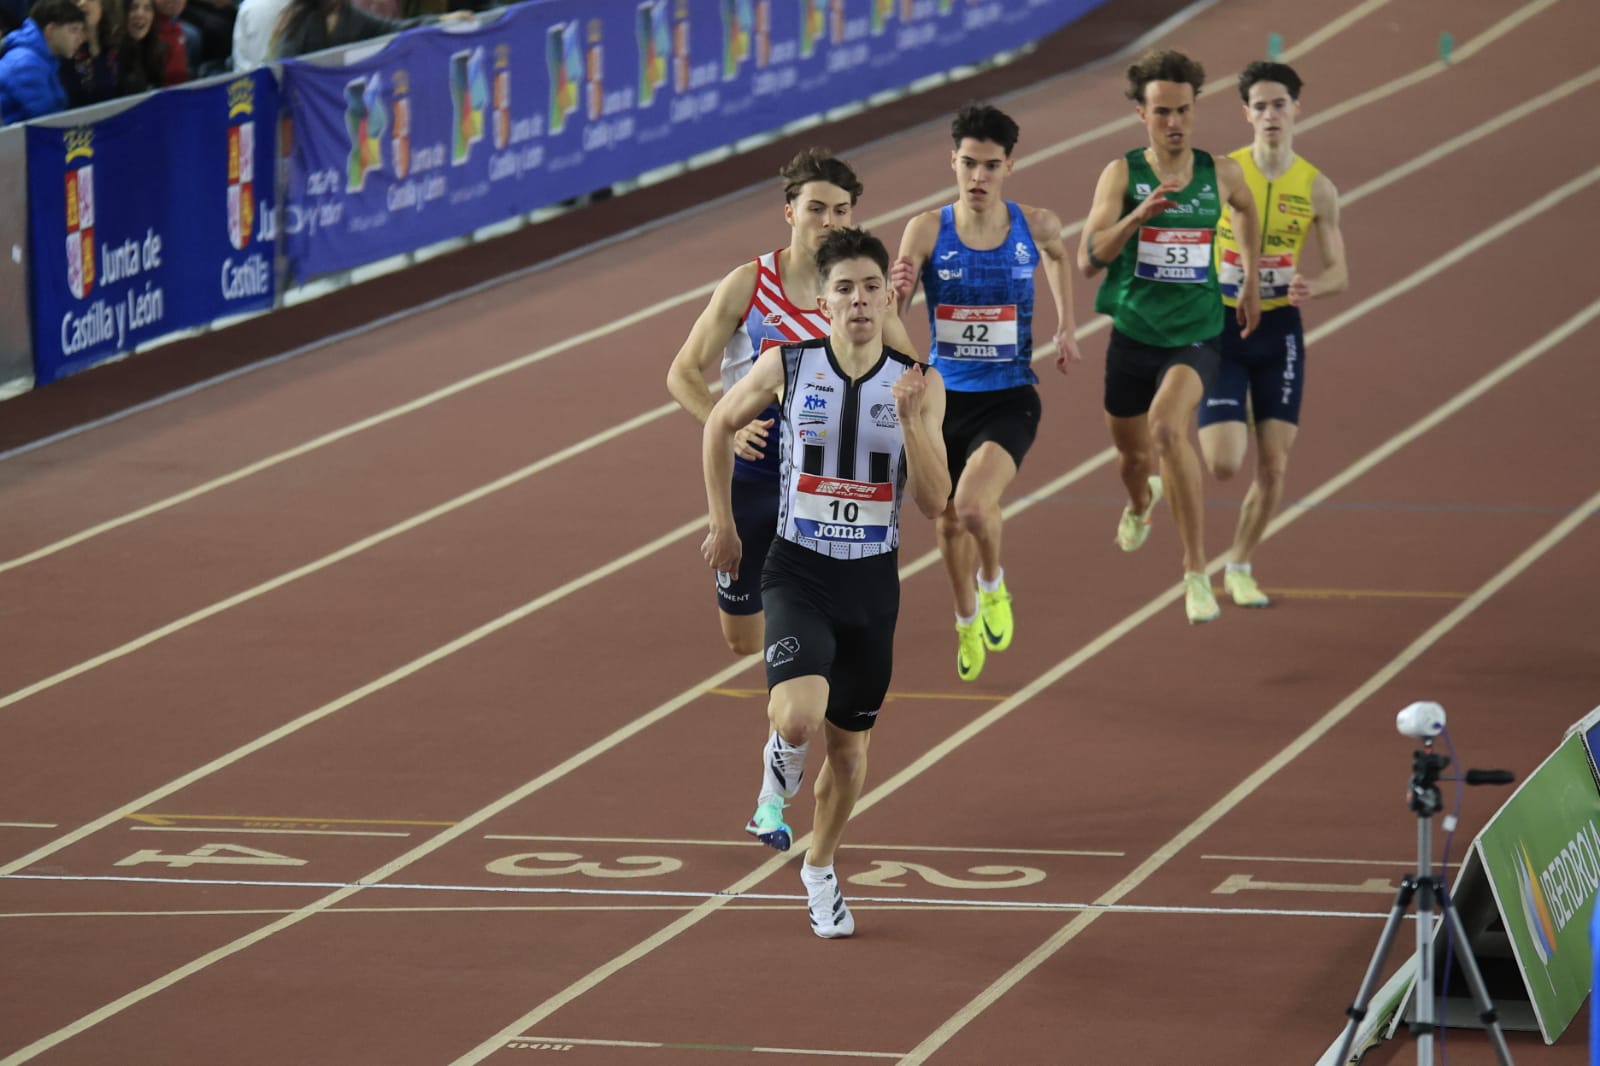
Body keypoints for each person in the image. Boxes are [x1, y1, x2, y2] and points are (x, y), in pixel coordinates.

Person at [701, 226, 949, 938]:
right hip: (798, 567)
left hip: (871, 585)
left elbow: (935, 502)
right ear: (823, 299)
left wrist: (912, 423)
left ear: (888, 296)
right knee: (799, 716)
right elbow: (718, 424)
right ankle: (779, 755)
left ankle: (820, 866)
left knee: (849, 751)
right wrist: (725, 525)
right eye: (845, 288)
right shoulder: (787, 365)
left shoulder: (919, 382)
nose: (861, 300)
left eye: (873, 287)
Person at [668, 147, 920, 657]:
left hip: (824, 482)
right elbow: (682, 372)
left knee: (821, 616)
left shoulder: (859, 295)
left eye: (841, 210)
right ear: (790, 212)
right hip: (757, 474)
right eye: (816, 208)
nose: (829, 221)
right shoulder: (750, 285)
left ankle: (799, 680)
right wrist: (728, 426)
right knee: (741, 639)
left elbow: (912, 378)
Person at [889, 101, 1079, 682]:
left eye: (990, 166)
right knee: (945, 522)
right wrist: (896, 289)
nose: (978, 177)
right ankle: (966, 614)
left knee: (972, 506)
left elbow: (1058, 255)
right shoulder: (925, 230)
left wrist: (1067, 323)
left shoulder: (1036, 224)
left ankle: (993, 584)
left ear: (1009, 167)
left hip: (1010, 395)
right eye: (968, 164)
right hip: (944, 400)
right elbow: (892, 310)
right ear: (952, 161)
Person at [1078, 49, 1261, 624]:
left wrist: (1250, 278)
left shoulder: (1220, 173)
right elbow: (1088, 259)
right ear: (1141, 114)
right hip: (1133, 334)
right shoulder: (1121, 174)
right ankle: (1141, 501)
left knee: (1165, 426)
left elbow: (1247, 208)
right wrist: (1138, 217)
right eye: (1162, 112)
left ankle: (1194, 570)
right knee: (1133, 460)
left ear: (1195, 109)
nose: (1174, 123)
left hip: (1198, 331)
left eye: (1183, 110)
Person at [1197, 61, 1348, 608]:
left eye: (1278, 104)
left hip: (1279, 329)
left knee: (1275, 463)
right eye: (1259, 107)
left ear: (1296, 108)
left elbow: (1340, 271)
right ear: (1246, 115)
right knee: (1223, 463)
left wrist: (1313, 285)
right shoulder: (1221, 173)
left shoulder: (1317, 187)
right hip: (1222, 325)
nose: (1269, 115)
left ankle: (1238, 563)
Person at [0, 0, 86, 124]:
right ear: (50, 31)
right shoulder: (26, 64)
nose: (80, 39)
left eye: (81, 30)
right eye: (73, 30)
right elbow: (48, 125)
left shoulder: (44, 60)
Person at [58, 0, 120, 108]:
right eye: (76, 0)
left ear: (102, 5)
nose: (82, 3)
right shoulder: (66, 52)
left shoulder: (112, 48)